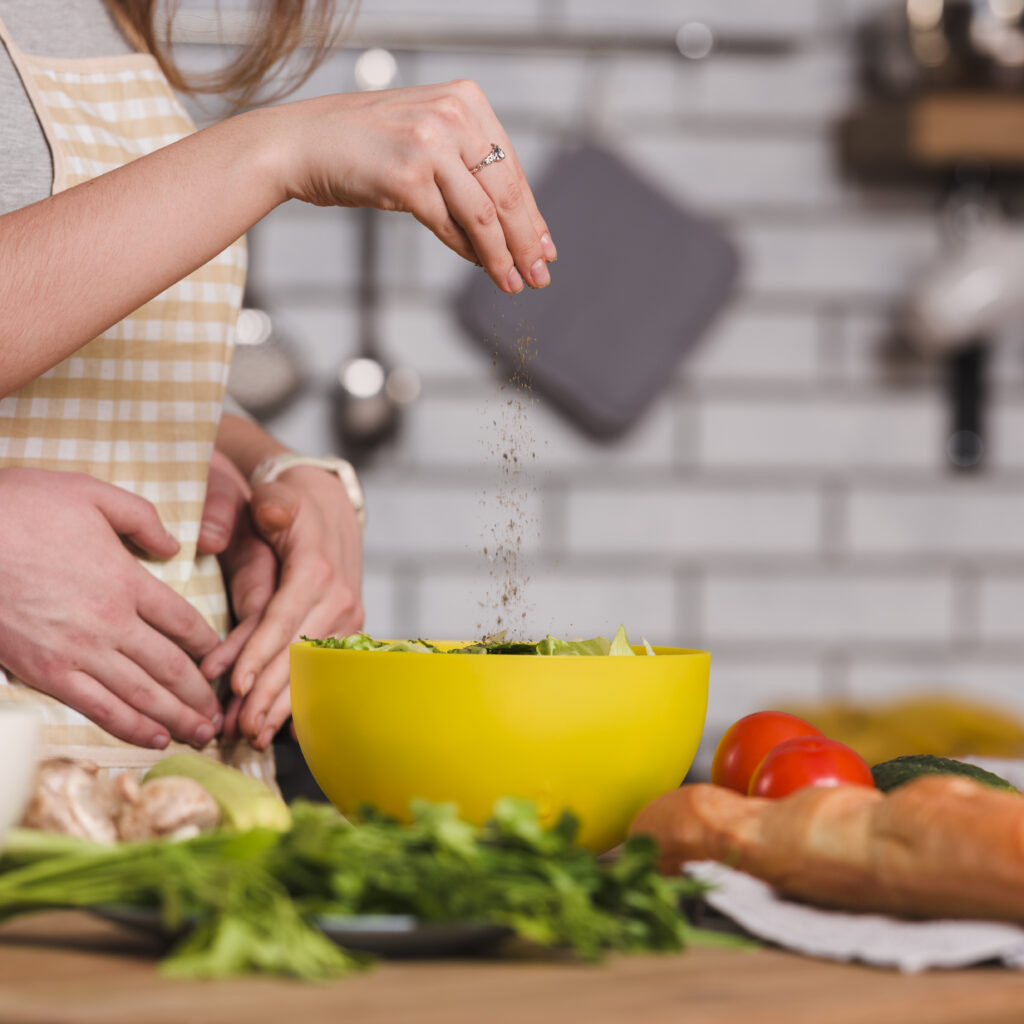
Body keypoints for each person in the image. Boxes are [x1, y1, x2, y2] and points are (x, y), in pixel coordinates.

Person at [0, 0, 555, 783]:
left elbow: (78, 361)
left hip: (171, 795)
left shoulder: (104, 15)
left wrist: (269, 466)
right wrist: (271, 150)